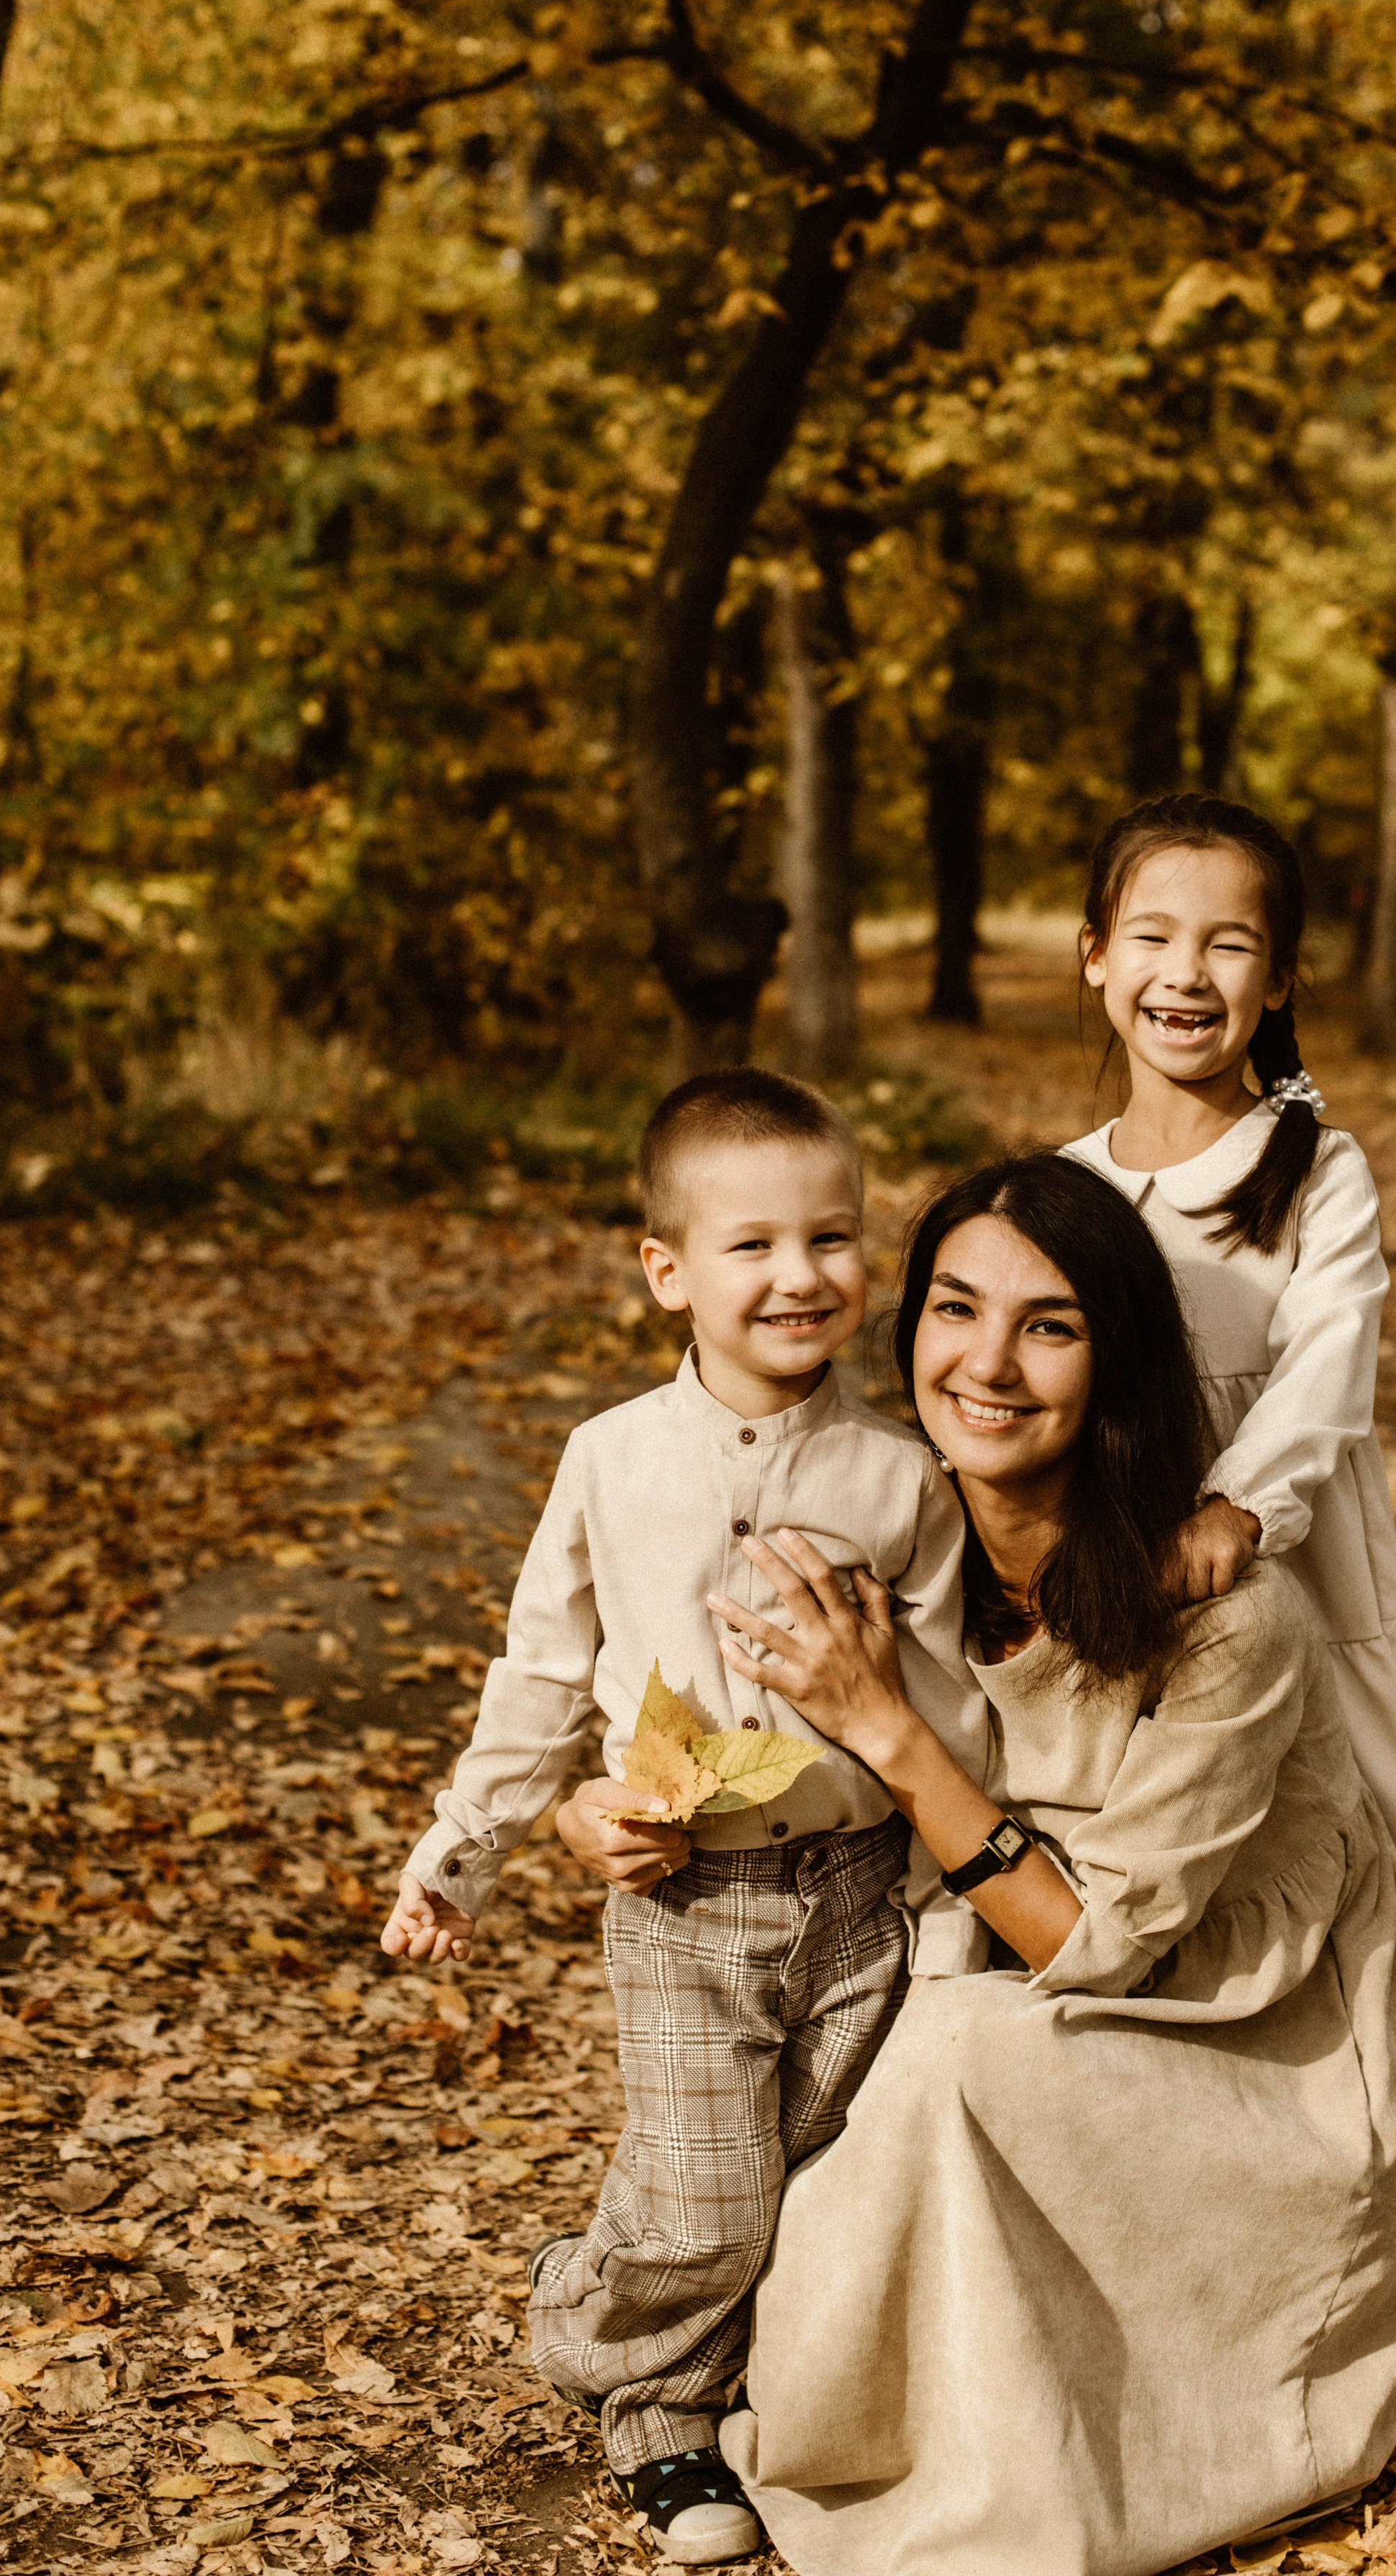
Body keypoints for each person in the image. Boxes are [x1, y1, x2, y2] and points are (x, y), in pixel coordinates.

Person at [668, 1150, 1396, 2576]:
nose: (986, 1363)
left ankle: (953, 2468)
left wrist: (886, 1727)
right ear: (902, 1325)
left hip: (1275, 2063)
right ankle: (802, 2392)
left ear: (1115, 1363)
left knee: (951, 2056)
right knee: (851, 2041)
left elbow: (1095, 1947)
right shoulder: (897, 1531)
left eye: (1048, 1326)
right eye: (952, 1310)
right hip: (1053, 2005)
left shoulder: (1224, 1611)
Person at [379, 1068, 986, 2569]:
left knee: (805, 2175)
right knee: (709, 2202)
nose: (801, 1276)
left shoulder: (901, 1474)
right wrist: (463, 1851)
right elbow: (540, 1667)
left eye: (833, 1239)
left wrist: (949, 1901)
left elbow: (955, 1705)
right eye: (752, 1245)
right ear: (667, 1272)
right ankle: (643, 2395)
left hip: (856, 1893)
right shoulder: (611, 1458)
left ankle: (701, 2332)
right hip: (680, 1903)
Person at [1066, 792, 1396, 1902]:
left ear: (1275, 983)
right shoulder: (1067, 1186)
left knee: (1326, 1833)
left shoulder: (1317, 1167)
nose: (1187, 973)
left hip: (1283, 1541)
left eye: (1229, 945)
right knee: (1163, 1828)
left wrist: (1239, 1505)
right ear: (1094, 957)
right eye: (1153, 937)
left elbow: (1331, 1358)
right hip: (1125, 1551)